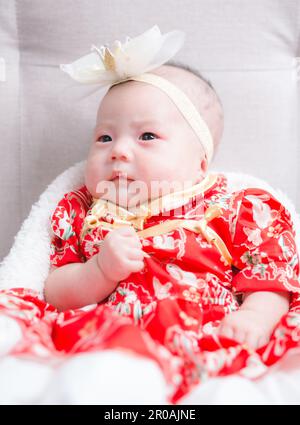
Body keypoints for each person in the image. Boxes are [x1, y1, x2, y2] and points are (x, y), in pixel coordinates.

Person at [41, 27, 300, 401]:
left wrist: (253, 319)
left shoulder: (233, 206)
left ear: (200, 162)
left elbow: (271, 277)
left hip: (211, 338)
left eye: (146, 136)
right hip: (112, 341)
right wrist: (98, 270)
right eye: (104, 137)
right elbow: (55, 292)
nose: (118, 151)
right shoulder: (83, 210)